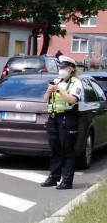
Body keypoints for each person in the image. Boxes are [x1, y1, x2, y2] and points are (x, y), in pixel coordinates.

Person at [41, 55, 83, 190]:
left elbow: (72, 100)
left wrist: (58, 90)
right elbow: (45, 99)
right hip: (54, 117)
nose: (61, 70)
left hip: (68, 117)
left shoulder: (76, 82)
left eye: (64, 67)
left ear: (71, 69)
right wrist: (49, 91)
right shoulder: (57, 80)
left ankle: (66, 181)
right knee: (55, 148)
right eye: (60, 67)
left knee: (67, 149)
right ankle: (54, 177)